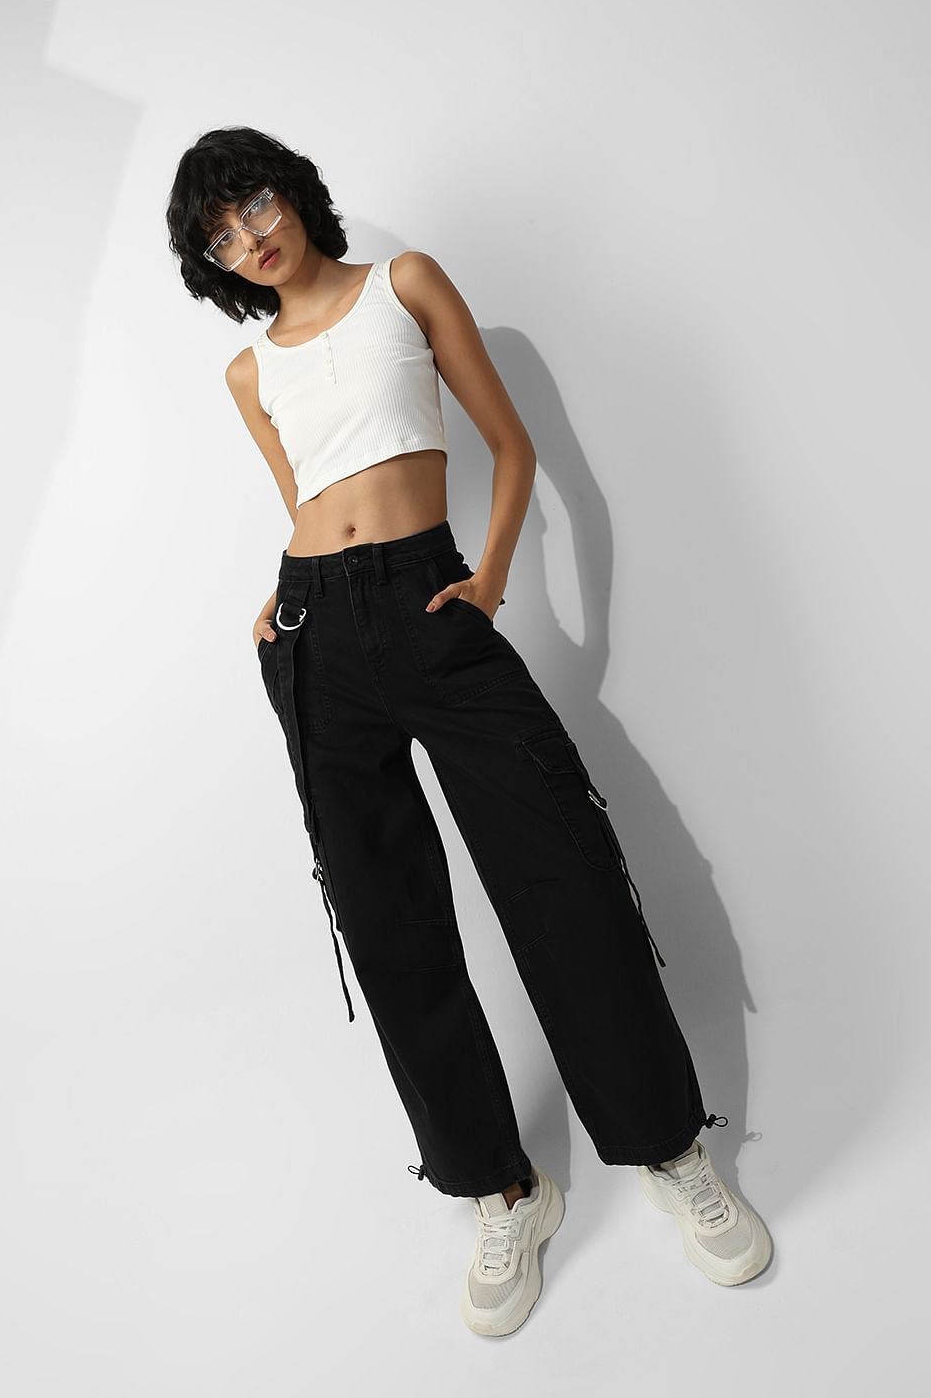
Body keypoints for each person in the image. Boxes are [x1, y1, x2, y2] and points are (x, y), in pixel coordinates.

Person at [165, 125, 772, 1336]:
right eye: (222, 237)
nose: (251, 238)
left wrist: (488, 582)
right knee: (386, 921)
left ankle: (667, 1147)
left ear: (294, 192)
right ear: (215, 264)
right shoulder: (247, 374)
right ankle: (503, 1191)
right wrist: (281, 606)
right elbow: (306, 503)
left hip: (430, 601)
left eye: (256, 203)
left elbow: (513, 446)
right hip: (314, 641)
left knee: (563, 874)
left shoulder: (406, 284)